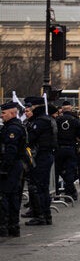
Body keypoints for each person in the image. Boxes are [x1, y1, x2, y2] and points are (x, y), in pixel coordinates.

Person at [23, 97, 57, 226]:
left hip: (40, 156)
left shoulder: (40, 121)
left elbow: (30, 139)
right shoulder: (47, 119)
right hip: (45, 155)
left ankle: (41, 215)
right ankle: (45, 215)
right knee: (43, 187)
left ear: (35, 107)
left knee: (38, 187)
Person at [0, 101, 27, 237]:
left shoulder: (13, 129)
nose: (1, 115)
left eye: (3, 113)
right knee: (12, 196)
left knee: (5, 196)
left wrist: (4, 168)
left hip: (11, 167)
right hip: (14, 166)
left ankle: (5, 226)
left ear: (12, 113)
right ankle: (12, 226)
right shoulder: (12, 126)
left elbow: (10, 150)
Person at [54, 101, 80, 200]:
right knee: (70, 171)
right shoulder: (76, 121)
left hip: (59, 148)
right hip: (71, 148)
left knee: (57, 171)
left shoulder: (57, 120)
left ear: (62, 110)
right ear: (71, 109)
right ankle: (69, 194)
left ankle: (56, 193)